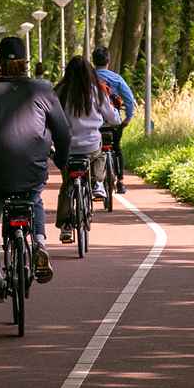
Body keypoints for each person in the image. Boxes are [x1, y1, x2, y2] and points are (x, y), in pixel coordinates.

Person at [0, 36, 71, 301]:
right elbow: (63, 133)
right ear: (26, 64)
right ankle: (40, 244)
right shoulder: (44, 90)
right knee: (34, 198)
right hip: (33, 168)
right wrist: (62, 160)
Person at [53, 56, 122, 242]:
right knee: (101, 154)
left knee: (67, 184)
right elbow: (113, 117)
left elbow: (49, 117)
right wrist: (115, 117)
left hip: (67, 148)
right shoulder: (97, 91)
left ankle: (66, 225)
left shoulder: (59, 91)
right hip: (91, 146)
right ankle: (97, 183)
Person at [92, 45, 136, 194]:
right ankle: (121, 182)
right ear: (108, 61)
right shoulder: (116, 78)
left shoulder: (88, 78)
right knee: (116, 147)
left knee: (93, 150)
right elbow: (129, 99)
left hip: (93, 122)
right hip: (113, 122)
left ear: (93, 61)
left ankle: (93, 180)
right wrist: (128, 118)